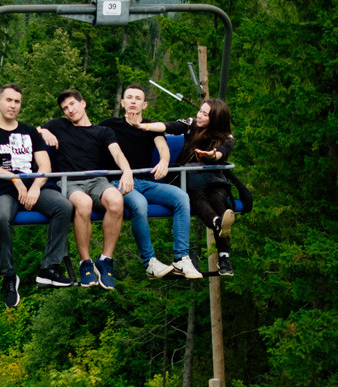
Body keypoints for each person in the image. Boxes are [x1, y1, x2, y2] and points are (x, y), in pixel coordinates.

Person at [0, 83, 74, 308]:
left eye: (17, 102)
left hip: (33, 185)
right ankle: (8, 276)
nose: (13, 105)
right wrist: (14, 179)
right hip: (2, 187)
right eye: (9, 100)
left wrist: (36, 186)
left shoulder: (29, 132)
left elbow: (44, 164)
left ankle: (49, 268)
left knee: (63, 207)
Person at [100, 86, 202, 279]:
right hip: (118, 182)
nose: (132, 101)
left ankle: (181, 258)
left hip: (146, 182)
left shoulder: (150, 126)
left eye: (137, 98)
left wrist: (164, 162)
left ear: (144, 104)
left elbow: (162, 147)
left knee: (181, 197)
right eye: (128, 97)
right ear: (122, 103)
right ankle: (149, 262)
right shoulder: (109, 125)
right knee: (139, 204)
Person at [37, 89, 133, 290]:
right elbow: (32, 130)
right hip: (69, 181)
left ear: (83, 103)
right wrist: (43, 130)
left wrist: (126, 171)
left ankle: (105, 260)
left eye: (72, 104)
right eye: (65, 108)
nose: (69, 110)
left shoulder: (103, 132)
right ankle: (85, 262)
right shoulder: (59, 126)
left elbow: (116, 152)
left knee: (116, 200)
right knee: (84, 203)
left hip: (97, 180)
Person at [133, 97, 238, 276]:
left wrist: (211, 155)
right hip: (185, 179)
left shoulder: (226, 138)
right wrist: (145, 126)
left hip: (212, 179)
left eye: (205, 114)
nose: (199, 115)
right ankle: (216, 223)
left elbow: (220, 154)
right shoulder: (192, 125)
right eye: (200, 111)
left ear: (216, 119)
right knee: (195, 195)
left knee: (219, 200)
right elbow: (168, 126)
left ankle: (224, 256)